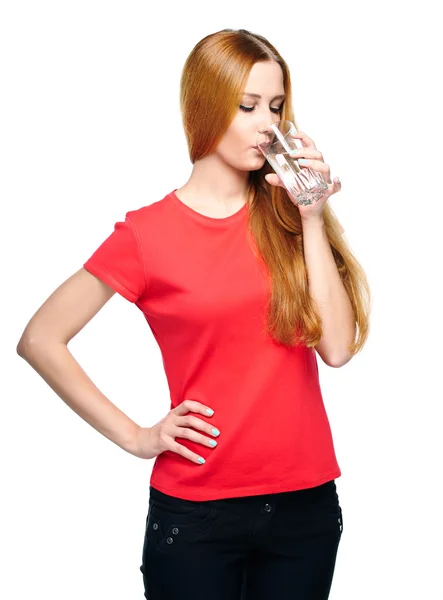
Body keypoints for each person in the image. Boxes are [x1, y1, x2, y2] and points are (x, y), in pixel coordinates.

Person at [17, 28, 370, 600]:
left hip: (304, 508)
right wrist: (136, 436)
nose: (267, 124)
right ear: (205, 106)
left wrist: (311, 217)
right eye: (247, 105)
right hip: (197, 517)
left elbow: (336, 348)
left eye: (276, 106)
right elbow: (41, 339)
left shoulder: (286, 219)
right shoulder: (145, 235)